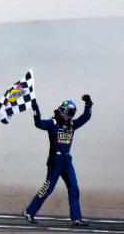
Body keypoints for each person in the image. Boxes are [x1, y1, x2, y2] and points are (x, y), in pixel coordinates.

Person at [23, 95, 93, 226]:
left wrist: (88, 103)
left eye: (71, 113)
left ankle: (76, 217)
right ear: (61, 110)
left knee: (74, 187)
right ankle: (29, 211)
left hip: (66, 160)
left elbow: (86, 117)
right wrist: (35, 108)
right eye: (67, 111)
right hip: (55, 161)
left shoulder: (72, 125)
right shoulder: (53, 123)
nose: (69, 115)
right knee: (47, 188)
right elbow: (39, 123)